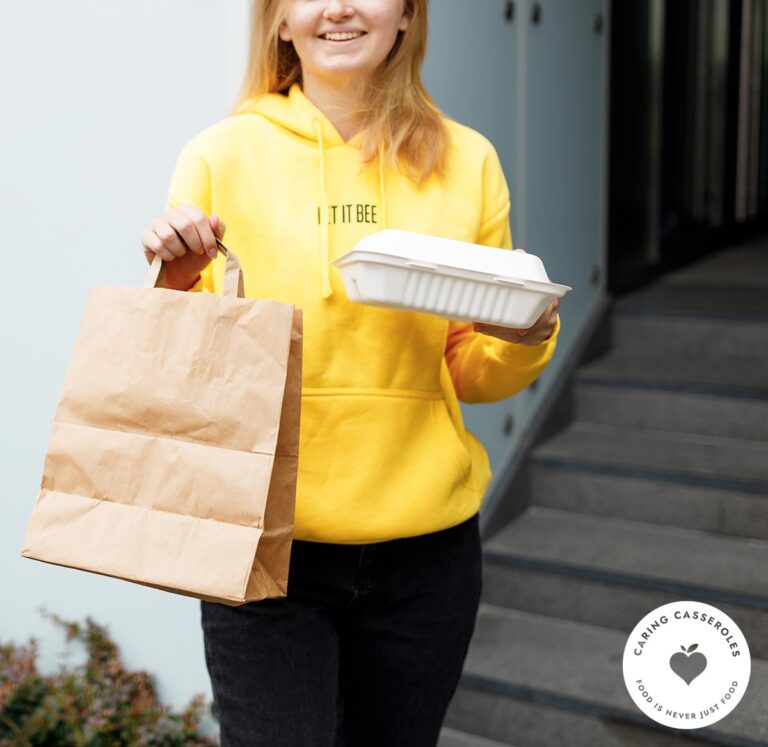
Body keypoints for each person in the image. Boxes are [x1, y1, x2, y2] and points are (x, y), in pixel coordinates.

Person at [141, 1, 560, 744]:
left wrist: (525, 335)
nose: (337, 7)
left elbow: (472, 370)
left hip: (427, 558)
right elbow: (188, 375)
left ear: (405, 14)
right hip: (263, 547)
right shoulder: (219, 155)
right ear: (278, 21)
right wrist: (174, 285)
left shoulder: (468, 161)